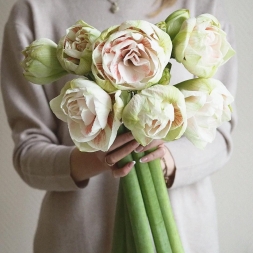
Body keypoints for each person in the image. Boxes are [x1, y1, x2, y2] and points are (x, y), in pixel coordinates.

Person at [1, 0, 237, 252]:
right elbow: (28, 152)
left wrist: (166, 160)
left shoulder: (200, 7)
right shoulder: (35, 10)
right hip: (78, 237)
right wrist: (94, 157)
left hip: (184, 232)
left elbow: (220, 133)